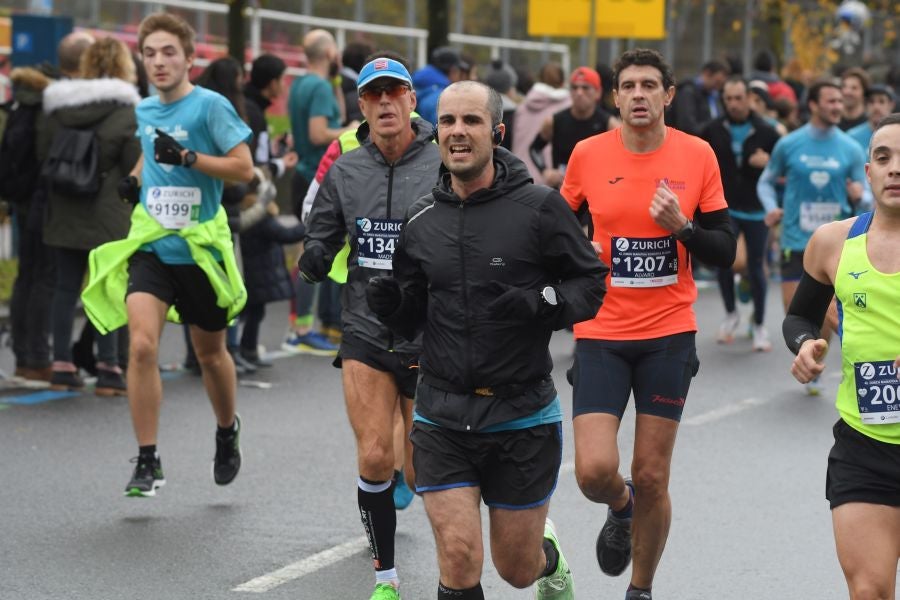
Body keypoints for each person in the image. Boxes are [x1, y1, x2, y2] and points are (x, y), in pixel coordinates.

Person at [367, 79, 607, 600]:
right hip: (443, 414)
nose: (458, 131)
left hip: (520, 415)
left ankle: (548, 559)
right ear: (436, 135)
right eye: (448, 121)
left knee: (516, 568)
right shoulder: (420, 220)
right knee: (458, 558)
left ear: (497, 133)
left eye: (471, 121)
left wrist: (541, 301)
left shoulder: (540, 208)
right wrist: (393, 307)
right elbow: (412, 320)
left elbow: (590, 285)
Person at [560, 48, 736, 600]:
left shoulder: (697, 154)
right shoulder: (588, 154)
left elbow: (726, 250)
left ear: (668, 95)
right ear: (615, 97)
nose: (639, 94)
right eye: (629, 86)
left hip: (668, 333)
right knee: (593, 470)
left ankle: (641, 589)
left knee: (654, 473)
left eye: (649, 85)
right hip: (602, 331)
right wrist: (577, 255)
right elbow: (554, 231)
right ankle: (621, 506)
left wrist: (683, 228)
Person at [80, 12, 254, 497]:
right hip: (153, 244)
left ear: (189, 58)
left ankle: (226, 430)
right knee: (141, 346)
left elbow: (243, 169)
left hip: (200, 251)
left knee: (210, 354)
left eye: (169, 52)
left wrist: (190, 159)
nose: (158, 62)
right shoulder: (144, 109)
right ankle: (147, 458)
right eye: (150, 53)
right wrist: (135, 177)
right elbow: (152, 148)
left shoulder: (211, 107)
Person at [297, 56, 442, 600]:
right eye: (373, 95)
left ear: (411, 100)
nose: (384, 103)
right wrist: (315, 254)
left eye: (394, 92)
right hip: (365, 326)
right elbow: (322, 232)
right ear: (360, 105)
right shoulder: (346, 169)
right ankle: (386, 577)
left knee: (423, 469)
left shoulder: (442, 162)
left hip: (431, 331)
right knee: (377, 455)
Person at [782, 112, 900, 600]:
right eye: (884, 158)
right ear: (867, 173)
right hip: (863, 446)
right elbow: (799, 317)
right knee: (868, 590)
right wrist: (804, 345)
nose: (895, 168)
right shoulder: (833, 242)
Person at [37, 36, 141, 394]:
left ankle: (62, 365)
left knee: (65, 289)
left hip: (64, 210)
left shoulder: (57, 109)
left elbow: (43, 155)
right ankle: (108, 368)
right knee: (108, 289)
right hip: (108, 215)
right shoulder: (127, 112)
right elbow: (134, 166)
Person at [758, 79, 867, 395]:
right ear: (813, 105)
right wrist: (771, 207)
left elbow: (866, 194)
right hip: (796, 239)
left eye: (840, 102)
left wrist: (860, 197)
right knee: (797, 310)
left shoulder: (850, 147)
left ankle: (815, 357)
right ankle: (808, 347)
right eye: (831, 101)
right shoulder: (789, 144)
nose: (838, 107)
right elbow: (766, 182)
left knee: (829, 312)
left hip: (836, 245)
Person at [285, 28, 356, 355]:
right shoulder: (318, 87)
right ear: (330, 54)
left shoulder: (302, 83)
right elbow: (318, 133)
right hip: (316, 175)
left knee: (312, 247)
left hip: (303, 173)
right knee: (312, 250)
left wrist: (337, 82)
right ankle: (302, 329)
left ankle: (308, 324)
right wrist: (350, 130)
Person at [699, 77, 780, 351]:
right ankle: (731, 314)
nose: (733, 104)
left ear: (749, 98)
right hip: (725, 206)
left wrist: (769, 162)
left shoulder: (766, 131)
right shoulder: (712, 129)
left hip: (757, 209)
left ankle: (759, 325)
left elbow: (783, 168)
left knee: (756, 266)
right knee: (724, 261)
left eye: (738, 98)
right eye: (728, 99)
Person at [529, 66, 621, 189]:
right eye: (574, 87)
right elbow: (535, 148)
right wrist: (545, 171)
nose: (579, 93)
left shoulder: (609, 124)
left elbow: (622, 157)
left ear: (598, 92)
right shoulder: (554, 121)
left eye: (585, 88)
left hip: (594, 192)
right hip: (562, 191)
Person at [512, 61, 571, 185]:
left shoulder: (522, 107)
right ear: (562, 82)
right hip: (549, 177)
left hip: (519, 175)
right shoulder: (568, 108)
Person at [665, 59, 730, 135]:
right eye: (717, 82)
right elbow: (687, 127)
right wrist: (713, 125)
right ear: (707, 73)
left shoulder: (713, 94)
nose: (718, 88)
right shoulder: (687, 92)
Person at [411, 45, 467, 126]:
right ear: (453, 70)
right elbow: (444, 129)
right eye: (459, 71)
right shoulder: (442, 98)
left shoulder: (419, 85)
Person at [846, 84, 896, 153]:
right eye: (871, 102)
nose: (876, 107)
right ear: (865, 105)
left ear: (891, 105)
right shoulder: (851, 137)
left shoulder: (897, 135)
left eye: (881, 101)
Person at [838, 66, 870, 131]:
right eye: (844, 86)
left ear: (864, 93)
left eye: (854, 88)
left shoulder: (870, 124)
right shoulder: (833, 121)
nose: (847, 92)